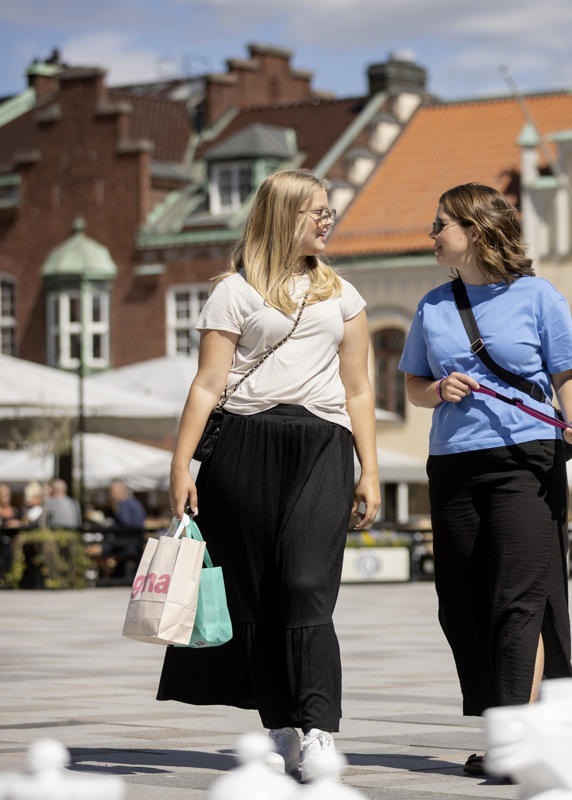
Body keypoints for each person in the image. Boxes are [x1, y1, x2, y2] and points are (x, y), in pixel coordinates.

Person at [161, 168, 380, 780]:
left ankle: (319, 727)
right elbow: (208, 383)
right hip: (243, 445)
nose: (327, 219)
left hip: (322, 443)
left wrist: (370, 469)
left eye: (328, 210)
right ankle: (280, 723)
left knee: (307, 584)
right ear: (284, 216)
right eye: (316, 211)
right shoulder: (233, 292)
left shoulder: (344, 295)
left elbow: (359, 389)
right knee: (255, 591)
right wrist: (180, 464)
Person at [399, 183, 572, 777]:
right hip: (453, 464)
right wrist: (438, 389)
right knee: (464, 602)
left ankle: (513, 741)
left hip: (525, 462)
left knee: (518, 601)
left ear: (476, 231)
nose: (432, 234)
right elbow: (412, 386)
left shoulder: (538, 296)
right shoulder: (433, 305)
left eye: (441, 224)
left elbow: (566, 373)